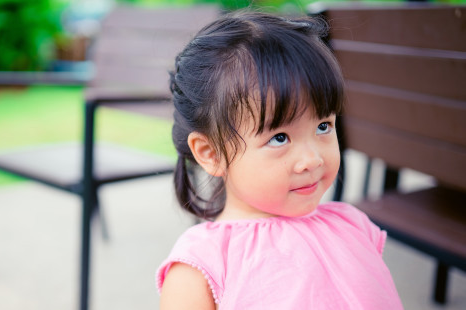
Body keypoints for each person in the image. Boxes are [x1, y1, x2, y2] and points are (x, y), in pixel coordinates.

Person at [156, 10, 403, 309]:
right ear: (212, 153)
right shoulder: (203, 265)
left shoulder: (351, 225)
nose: (312, 159)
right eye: (280, 137)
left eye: (323, 126)